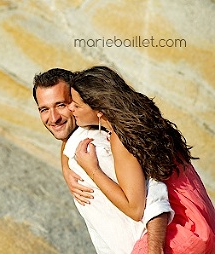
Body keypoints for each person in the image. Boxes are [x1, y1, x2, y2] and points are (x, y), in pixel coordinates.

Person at [69, 66, 215, 253]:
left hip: (182, 231)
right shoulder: (145, 119)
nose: (71, 108)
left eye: (76, 104)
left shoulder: (120, 139)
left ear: (99, 110)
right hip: (200, 216)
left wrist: (92, 169)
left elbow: (134, 207)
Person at [33, 68, 173, 253]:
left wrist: (154, 249)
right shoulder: (77, 149)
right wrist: (65, 161)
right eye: (44, 109)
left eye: (61, 105)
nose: (53, 118)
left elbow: (153, 194)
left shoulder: (94, 147)